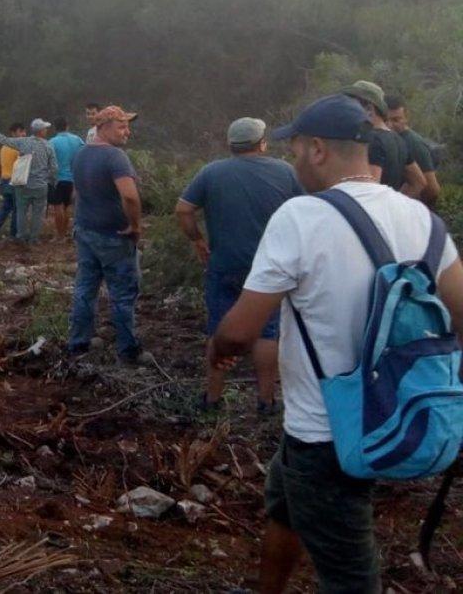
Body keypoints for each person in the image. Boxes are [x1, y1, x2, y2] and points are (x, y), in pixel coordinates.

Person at [210, 94, 463, 593]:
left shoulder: (300, 217)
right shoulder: (419, 217)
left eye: (296, 149)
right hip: (390, 410)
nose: (293, 159)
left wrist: (220, 347)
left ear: (318, 149)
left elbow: (240, 330)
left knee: (350, 575)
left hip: (328, 429)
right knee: (284, 504)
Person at [175, 117, 304, 414]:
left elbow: (183, 210)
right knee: (268, 332)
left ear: (231, 145)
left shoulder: (211, 172)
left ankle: (212, 398)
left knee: (219, 328)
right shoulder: (285, 172)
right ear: (262, 143)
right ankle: (267, 400)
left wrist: (197, 240)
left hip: (225, 264)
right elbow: (308, 211)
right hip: (269, 268)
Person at [69, 106, 144, 363]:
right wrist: (135, 226)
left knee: (85, 289)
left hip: (85, 231)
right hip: (114, 237)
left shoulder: (80, 154)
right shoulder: (115, 157)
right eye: (121, 126)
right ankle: (128, 350)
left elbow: (76, 193)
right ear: (103, 127)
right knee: (123, 295)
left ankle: (79, 342)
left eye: (127, 125)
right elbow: (130, 196)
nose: (127, 131)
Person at [340, 80, 425, 198]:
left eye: (353, 105)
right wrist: (394, 206)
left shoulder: (371, 141)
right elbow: (418, 183)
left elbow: (369, 192)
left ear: (369, 108)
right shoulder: (398, 140)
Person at [0, 119, 58, 245]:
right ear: (41, 131)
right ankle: (34, 238)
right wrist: (50, 180)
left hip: (23, 184)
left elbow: (4, 140)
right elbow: (54, 168)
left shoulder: (23, 142)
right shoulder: (48, 146)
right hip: (40, 186)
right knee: (37, 213)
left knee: (21, 211)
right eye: (45, 128)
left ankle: (20, 236)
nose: (47, 130)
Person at [386, 95, 440, 208]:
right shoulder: (387, 139)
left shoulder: (413, 144)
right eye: (386, 120)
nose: (390, 125)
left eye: (396, 120)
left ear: (406, 117)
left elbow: (432, 189)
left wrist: (401, 206)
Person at [48, 118, 85, 238]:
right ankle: (66, 232)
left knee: (58, 207)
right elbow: (84, 155)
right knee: (67, 206)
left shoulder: (52, 142)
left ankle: (60, 235)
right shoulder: (77, 140)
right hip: (73, 179)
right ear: (67, 126)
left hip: (58, 179)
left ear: (55, 128)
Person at [0, 122, 26, 238]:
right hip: (14, 181)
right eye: (21, 131)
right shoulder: (17, 147)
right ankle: (14, 233)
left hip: (4, 181)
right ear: (14, 133)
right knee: (17, 208)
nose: (24, 134)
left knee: (6, 205)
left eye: (24, 131)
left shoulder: (4, 147)